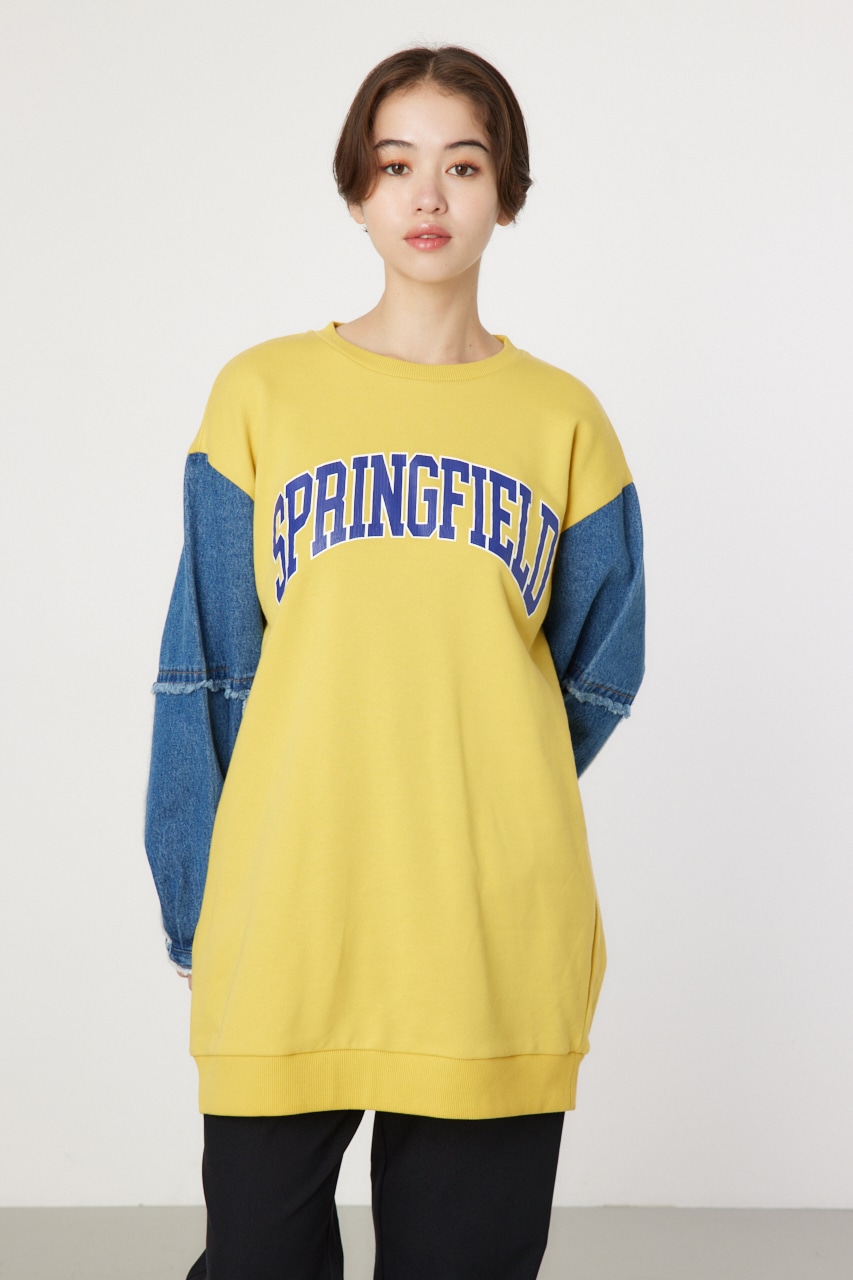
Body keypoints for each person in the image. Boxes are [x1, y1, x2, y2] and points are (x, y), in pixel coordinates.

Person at [144, 43, 645, 1280]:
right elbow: (206, 667)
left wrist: (487, 772)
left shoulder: (563, 420)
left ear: (505, 191)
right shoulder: (261, 394)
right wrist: (197, 901)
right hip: (289, 913)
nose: (428, 196)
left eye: (462, 165)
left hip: (487, 930)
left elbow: (595, 673)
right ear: (356, 190)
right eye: (395, 164)